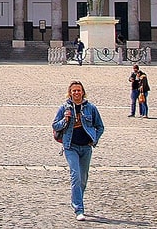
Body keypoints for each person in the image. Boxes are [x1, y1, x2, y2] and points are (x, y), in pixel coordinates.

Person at [52, 80, 104, 221]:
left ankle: (78, 198)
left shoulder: (91, 108)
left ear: (83, 92)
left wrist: (94, 139)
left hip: (86, 147)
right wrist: (65, 120)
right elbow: (55, 125)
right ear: (70, 93)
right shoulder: (64, 108)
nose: (76, 93)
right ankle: (78, 209)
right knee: (75, 175)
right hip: (70, 146)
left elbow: (100, 126)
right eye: (74, 90)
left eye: (78, 90)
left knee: (83, 179)